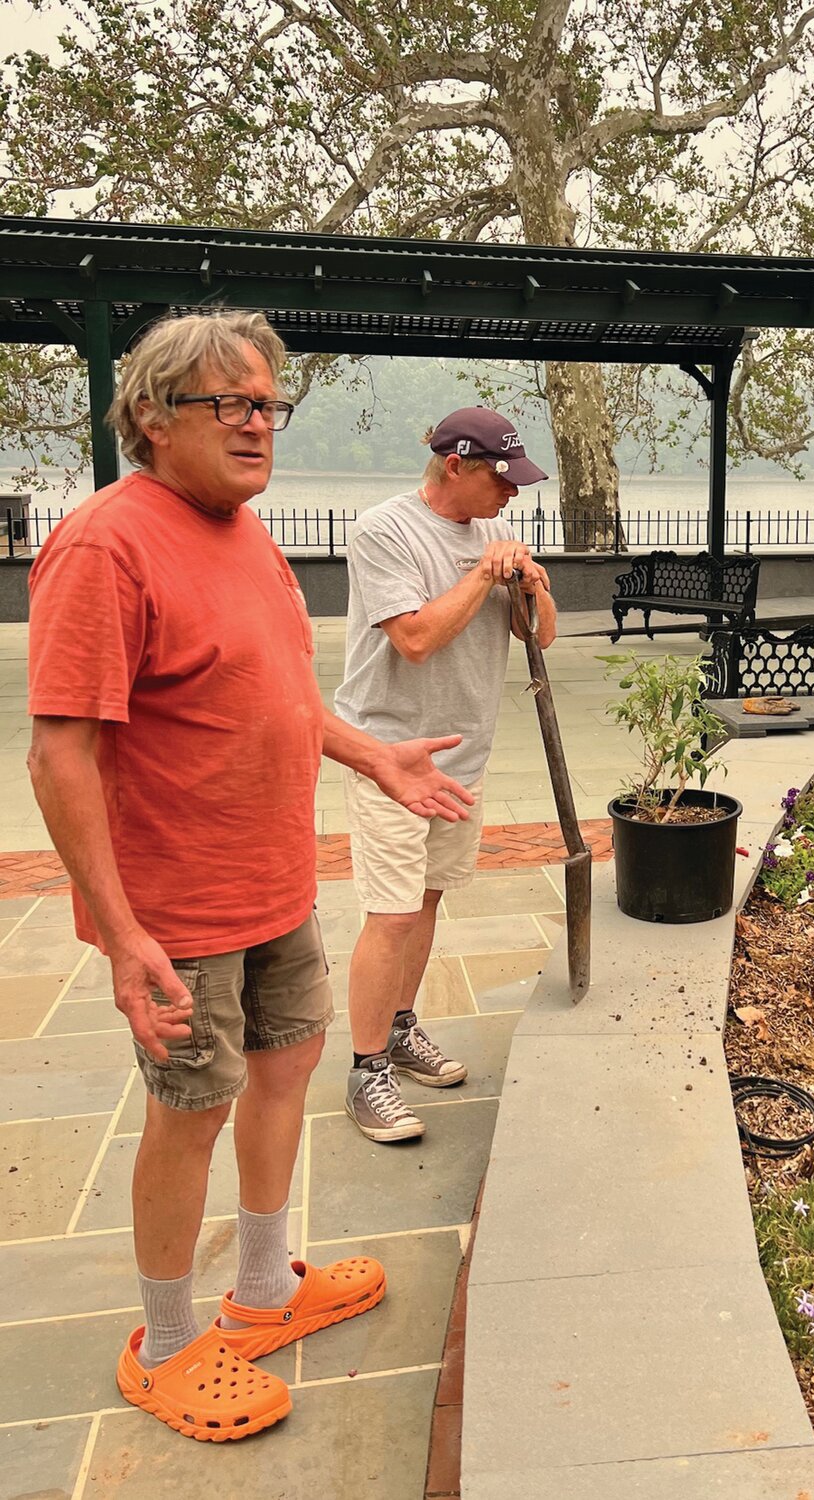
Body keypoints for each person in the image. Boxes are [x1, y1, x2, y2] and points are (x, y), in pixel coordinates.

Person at [26, 311, 475, 1443]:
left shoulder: (244, 535)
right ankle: (169, 1345)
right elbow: (60, 751)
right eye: (227, 404)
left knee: (287, 1073)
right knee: (191, 1111)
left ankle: (265, 1291)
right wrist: (121, 932)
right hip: (176, 907)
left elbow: (274, 692)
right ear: (148, 417)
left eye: (269, 404)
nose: (256, 425)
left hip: (273, 885)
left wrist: (371, 752)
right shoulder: (104, 544)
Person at [335, 408, 556, 1142]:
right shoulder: (382, 532)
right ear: (455, 465)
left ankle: (399, 1028)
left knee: (426, 903)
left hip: (463, 758)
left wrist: (530, 585)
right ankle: (366, 1071)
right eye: (502, 479)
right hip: (390, 754)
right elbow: (417, 638)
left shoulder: (495, 536)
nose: (512, 496)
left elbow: (540, 636)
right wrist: (481, 576)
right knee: (391, 911)